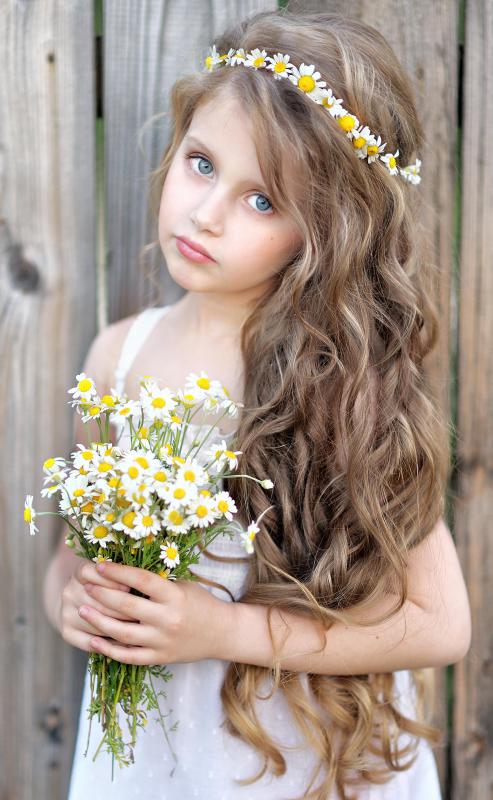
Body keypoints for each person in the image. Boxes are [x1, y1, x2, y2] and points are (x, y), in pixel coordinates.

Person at [43, 9, 471, 800]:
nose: (206, 214)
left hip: (303, 761)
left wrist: (219, 632)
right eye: (201, 164)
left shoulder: (342, 386)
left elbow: (441, 626)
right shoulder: (118, 358)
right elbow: (77, 555)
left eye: (263, 202)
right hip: (155, 756)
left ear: (326, 232)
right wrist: (73, 600)